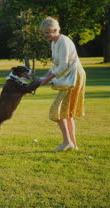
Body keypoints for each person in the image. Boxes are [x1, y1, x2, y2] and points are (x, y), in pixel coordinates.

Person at [39, 17, 86, 152]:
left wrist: (48, 80)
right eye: (44, 33)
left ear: (56, 30)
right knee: (66, 113)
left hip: (73, 77)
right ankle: (72, 144)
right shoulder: (54, 42)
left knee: (57, 111)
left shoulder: (63, 41)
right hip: (68, 77)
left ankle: (67, 142)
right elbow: (55, 65)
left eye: (48, 32)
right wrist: (44, 77)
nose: (46, 35)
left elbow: (64, 66)